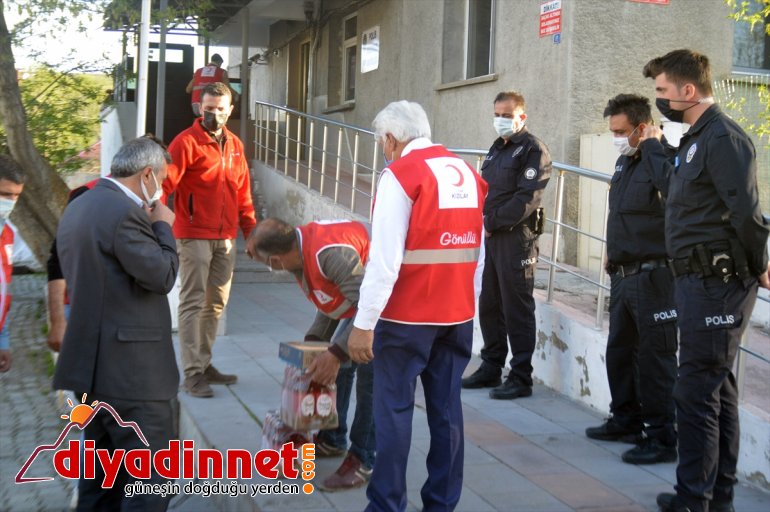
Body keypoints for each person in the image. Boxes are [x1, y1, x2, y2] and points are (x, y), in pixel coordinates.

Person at [643, 49, 770, 512]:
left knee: (696, 390)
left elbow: (748, 215)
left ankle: (693, 499)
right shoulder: (694, 139)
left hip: (719, 282)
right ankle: (717, 497)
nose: (658, 99)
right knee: (716, 390)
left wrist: (759, 265)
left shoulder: (723, 139)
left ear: (687, 91)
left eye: (662, 91)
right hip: (695, 281)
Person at [347, 100, 487, 511]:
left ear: (391, 138)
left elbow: (384, 259)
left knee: (392, 413)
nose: (382, 150)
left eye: (381, 142)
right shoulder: (467, 172)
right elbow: (478, 252)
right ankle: (442, 503)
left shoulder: (401, 175)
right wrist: (470, 310)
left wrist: (363, 322)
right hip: (456, 315)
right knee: (447, 413)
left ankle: (386, 504)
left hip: (405, 318)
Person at [53, 137, 179, 511]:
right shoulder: (125, 213)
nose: (161, 190)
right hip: (132, 377)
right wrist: (163, 227)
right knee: (150, 485)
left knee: (100, 486)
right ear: (147, 175)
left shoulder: (80, 205)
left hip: (93, 372)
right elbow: (161, 276)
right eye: (162, 181)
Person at [246, 217, 375, 491]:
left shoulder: (329, 254)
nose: (269, 267)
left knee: (370, 374)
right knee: (331, 365)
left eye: (266, 263)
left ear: (277, 261)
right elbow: (330, 299)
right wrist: (313, 347)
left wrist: (336, 352)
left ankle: (363, 457)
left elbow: (369, 306)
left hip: (387, 298)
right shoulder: (301, 252)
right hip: (363, 298)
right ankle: (332, 438)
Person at [583, 94, 678, 465]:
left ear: (642, 127)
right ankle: (626, 419)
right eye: (612, 132)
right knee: (620, 353)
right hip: (623, 275)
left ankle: (662, 437)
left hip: (655, 277)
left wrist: (654, 147)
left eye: (621, 132)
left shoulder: (664, 158)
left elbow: (674, 192)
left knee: (656, 360)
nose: (616, 139)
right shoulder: (625, 165)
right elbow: (620, 215)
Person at [165, 81, 258, 398]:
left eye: (220, 109)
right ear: (199, 108)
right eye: (209, 109)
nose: (215, 115)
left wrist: (251, 231)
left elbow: (242, 192)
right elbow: (164, 186)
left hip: (227, 236)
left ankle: (204, 364)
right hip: (193, 235)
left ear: (230, 110)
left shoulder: (235, 145)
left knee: (215, 303)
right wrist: (154, 226)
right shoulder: (185, 143)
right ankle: (191, 373)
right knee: (192, 302)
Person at [461, 91, 552, 400]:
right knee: (490, 304)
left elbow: (526, 199)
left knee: (517, 308)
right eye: (497, 114)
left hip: (517, 239)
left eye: (506, 114)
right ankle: (491, 366)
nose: (500, 120)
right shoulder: (497, 149)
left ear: (521, 117)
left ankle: (521, 376)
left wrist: (491, 222)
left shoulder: (531, 150)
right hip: (492, 239)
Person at [0, 155, 25, 373]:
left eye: (16, 196)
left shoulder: (7, 233)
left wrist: (3, 340)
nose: (11, 202)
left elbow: (2, 291)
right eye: (5, 194)